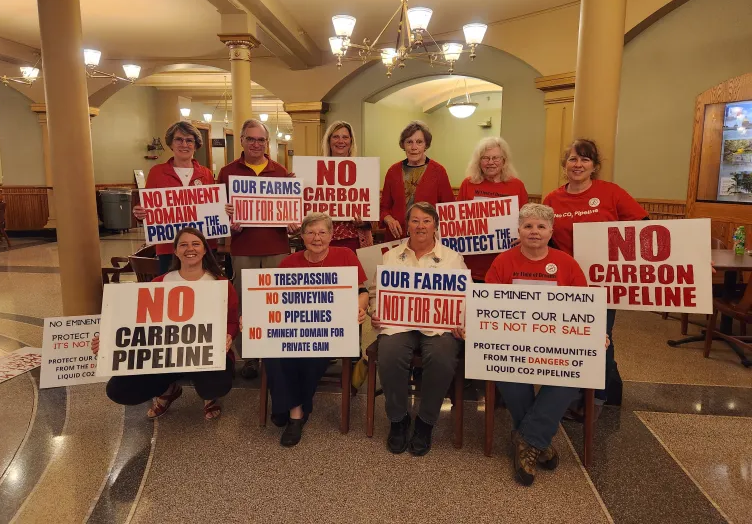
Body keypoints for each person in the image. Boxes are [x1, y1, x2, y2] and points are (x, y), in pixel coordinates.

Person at [484, 203, 608, 485]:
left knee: (574, 371)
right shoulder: (503, 262)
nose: (534, 231)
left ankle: (527, 439)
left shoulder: (567, 263)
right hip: (513, 342)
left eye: (541, 227)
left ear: (551, 231)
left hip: (557, 343)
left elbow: (585, 307)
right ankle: (538, 442)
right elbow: (487, 305)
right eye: (528, 226)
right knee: (505, 369)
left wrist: (596, 332)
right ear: (518, 230)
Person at [543, 139, 647, 411]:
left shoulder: (611, 193)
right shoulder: (552, 199)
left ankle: (598, 397)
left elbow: (645, 229)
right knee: (570, 335)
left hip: (603, 282)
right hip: (567, 283)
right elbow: (547, 239)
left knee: (600, 336)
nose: (578, 165)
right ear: (564, 165)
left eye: (585, 159)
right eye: (573, 159)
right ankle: (580, 390)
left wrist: (688, 259)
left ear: (594, 166)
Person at [94, 227, 239, 420]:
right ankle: (168, 389)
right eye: (183, 245)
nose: (190, 249)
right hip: (164, 356)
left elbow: (232, 320)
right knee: (119, 390)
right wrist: (109, 341)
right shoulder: (159, 282)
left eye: (196, 244)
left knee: (215, 385)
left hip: (204, 354)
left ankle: (209, 396)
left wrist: (228, 335)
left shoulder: (220, 283)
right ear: (175, 251)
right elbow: (135, 323)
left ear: (205, 249)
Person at [260, 212, 369, 447]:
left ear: (331, 235)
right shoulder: (288, 263)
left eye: (322, 232)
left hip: (330, 330)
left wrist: (360, 308)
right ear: (301, 236)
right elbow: (273, 300)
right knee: (272, 353)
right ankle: (293, 408)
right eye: (310, 232)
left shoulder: (345, 255)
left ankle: (290, 412)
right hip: (293, 328)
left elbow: (362, 292)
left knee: (312, 355)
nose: (316, 238)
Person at [371, 202, 466, 456]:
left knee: (442, 357)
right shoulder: (391, 256)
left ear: (435, 225)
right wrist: (376, 312)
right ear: (407, 225)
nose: (420, 226)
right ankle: (398, 419)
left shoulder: (453, 258)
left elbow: (464, 296)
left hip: (438, 326)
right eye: (415, 220)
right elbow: (376, 292)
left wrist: (462, 321)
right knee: (389, 355)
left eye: (426, 221)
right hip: (399, 323)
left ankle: (425, 422)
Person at [219, 118, 297, 380]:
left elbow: (290, 215)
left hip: (277, 246)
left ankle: (276, 351)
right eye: (250, 139)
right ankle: (250, 357)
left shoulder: (281, 172)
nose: (255, 144)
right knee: (246, 302)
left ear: (267, 142)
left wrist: (293, 222)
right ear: (241, 140)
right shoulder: (227, 173)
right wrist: (228, 221)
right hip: (243, 248)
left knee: (277, 302)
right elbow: (217, 213)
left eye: (261, 139)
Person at [133, 121, 215, 275]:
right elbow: (146, 207)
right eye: (179, 139)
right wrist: (140, 213)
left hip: (202, 245)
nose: (184, 144)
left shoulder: (206, 174)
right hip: (168, 246)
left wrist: (224, 210)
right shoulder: (157, 172)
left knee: (204, 285)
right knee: (171, 285)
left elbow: (213, 208)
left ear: (196, 145)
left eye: (189, 140)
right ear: (171, 143)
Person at [458, 136, 529, 282]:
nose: (490, 162)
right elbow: (458, 219)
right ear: (479, 161)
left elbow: (527, 220)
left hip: (506, 261)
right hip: (473, 263)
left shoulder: (517, 186)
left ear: (504, 160)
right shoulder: (468, 184)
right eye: (485, 158)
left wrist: (523, 237)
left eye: (495, 158)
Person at [380, 121, 454, 242]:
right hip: (396, 238)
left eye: (419, 142)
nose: (414, 147)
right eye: (409, 142)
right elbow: (384, 208)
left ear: (426, 145)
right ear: (403, 145)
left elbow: (448, 209)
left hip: (427, 239)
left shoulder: (438, 171)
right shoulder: (393, 171)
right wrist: (389, 220)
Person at [320, 121, 373, 252]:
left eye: (345, 137)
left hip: (355, 239)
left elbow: (372, 208)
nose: (340, 141)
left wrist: (365, 221)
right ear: (329, 141)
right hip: (323, 240)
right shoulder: (315, 169)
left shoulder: (363, 169)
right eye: (335, 137)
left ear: (351, 141)